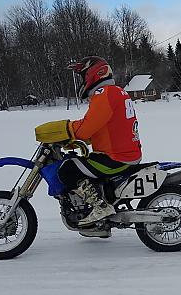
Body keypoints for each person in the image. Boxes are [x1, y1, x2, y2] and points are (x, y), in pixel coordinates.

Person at [56, 56, 142, 226]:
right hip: (125, 153)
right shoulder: (117, 92)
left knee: (68, 169)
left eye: (83, 75)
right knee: (84, 165)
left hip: (116, 157)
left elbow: (86, 128)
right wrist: (75, 140)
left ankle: (101, 207)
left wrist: (65, 129)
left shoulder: (104, 94)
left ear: (93, 74)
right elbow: (103, 128)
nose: (82, 80)